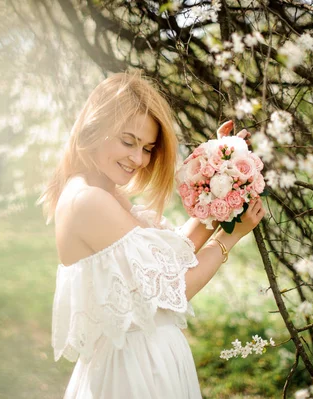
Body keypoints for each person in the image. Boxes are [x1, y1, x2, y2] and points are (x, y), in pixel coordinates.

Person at [40, 70, 266, 398]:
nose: (138, 159)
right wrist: (230, 237)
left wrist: (220, 173)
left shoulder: (102, 192)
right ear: (95, 127)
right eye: (128, 141)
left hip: (143, 360)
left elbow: (167, 262)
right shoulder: (87, 201)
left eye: (147, 148)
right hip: (132, 371)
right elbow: (175, 287)